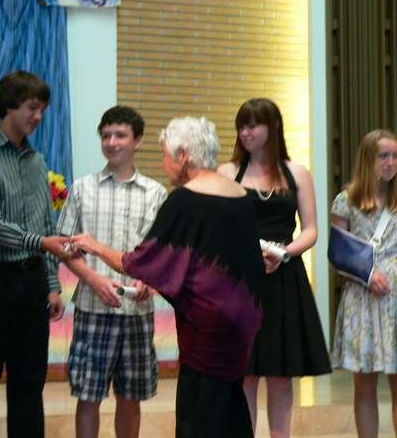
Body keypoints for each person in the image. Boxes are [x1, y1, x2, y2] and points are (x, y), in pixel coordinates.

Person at [72, 117, 265, 438]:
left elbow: (140, 262)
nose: (164, 164)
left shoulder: (185, 200)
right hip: (242, 321)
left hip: (206, 327)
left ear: (184, 155)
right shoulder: (240, 195)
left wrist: (94, 246)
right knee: (231, 406)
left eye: (165, 155)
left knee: (200, 415)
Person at [0, 71, 69, 437]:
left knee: (29, 382)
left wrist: (51, 284)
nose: (38, 117)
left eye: (43, 110)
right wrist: (41, 243)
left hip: (32, 280)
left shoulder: (37, 161)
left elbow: (47, 224)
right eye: (32, 108)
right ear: (9, 105)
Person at [218, 98, 330, 437]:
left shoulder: (297, 173)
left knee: (281, 375)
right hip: (240, 280)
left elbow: (311, 230)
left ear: (273, 128)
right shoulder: (227, 173)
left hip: (284, 276)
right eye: (242, 126)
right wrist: (247, 253)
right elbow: (218, 228)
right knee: (245, 373)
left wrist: (283, 253)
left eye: (253, 125)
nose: (245, 132)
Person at [57, 105, 167, 438]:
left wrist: (149, 279)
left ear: (138, 141)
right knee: (88, 395)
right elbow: (65, 247)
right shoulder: (82, 188)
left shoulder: (155, 193)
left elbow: (162, 254)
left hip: (137, 310)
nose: (112, 142)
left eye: (120, 135)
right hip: (93, 307)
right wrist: (94, 280)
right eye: (106, 136)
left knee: (131, 397)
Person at [331, 129, 397, 437]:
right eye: (383, 156)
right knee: (365, 383)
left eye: (395, 156)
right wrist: (369, 275)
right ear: (368, 158)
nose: (390, 162)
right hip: (363, 295)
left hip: (395, 297)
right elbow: (338, 254)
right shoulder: (346, 201)